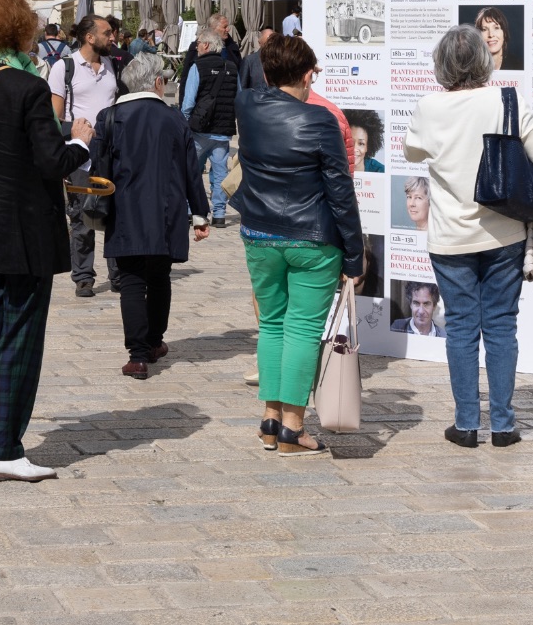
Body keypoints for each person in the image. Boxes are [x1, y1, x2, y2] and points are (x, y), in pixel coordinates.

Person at [0, 0, 93, 482]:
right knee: (19, 338)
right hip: (24, 231)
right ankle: (4, 449)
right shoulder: (28, 88)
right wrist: (81, 143)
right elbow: (52, 161)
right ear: (23, 29)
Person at [402, 25, 533, 448]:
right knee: (502, 326)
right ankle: (504, 426)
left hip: (451, 238)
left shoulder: (429, 107)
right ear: (484, 61)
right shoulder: (507, 99)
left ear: (442, 65)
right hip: (504, 233)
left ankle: (467, 424)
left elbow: (411, 152)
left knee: (462, 327)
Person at [230, 35, 362, 457]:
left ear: (266, 73)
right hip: (311, 239)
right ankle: (292, 427)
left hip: (260, 235)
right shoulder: (320, 120)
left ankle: (270, 420)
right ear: (308, 75)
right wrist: (355, 254)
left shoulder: (246, 106)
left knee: (271, 324)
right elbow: (340, 192)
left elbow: (267, 84)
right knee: (302, 329)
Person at [92, 53, 210, 378]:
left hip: (125, 211)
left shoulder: (109, 116)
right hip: (166, 213)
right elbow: (191, 172)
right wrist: (200, 215)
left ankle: (138, 356)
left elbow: (98, 170)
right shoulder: (174, 119)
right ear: (158, 82)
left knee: (131, 281)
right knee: (159, 278)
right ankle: (155, 341)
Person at [48, 13, 123, 296]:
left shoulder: (110, 66)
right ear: (90, 37)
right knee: (80, 217)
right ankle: (83, 276)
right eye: (107, 33)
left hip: (111, 154)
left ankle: (117, 274)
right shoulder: (64, 68)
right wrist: (78, 131)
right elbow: (54, 118)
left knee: (114, 213)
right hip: (79, 155)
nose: (112, 37)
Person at [182, 32, 240, 227]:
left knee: (191, 171)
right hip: (222, 131)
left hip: (199, 131)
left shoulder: (197, 67)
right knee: (220, 172)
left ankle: (191, 211)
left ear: (206, 45)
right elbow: (237, 98)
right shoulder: (232, 67)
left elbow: (188, 103)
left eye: (198, 43)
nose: (196, 47)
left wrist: (186, 123)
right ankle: (219, 214)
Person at [473, 7, 515, 71]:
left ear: (504, 33)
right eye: (484, 29)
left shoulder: (519, 65)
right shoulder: (471, 68)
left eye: (496, 28)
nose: (491, 35)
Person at [346, 108, 386, 173]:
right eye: (350, 142)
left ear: (367, 146)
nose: (354, 149)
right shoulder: (333, 168)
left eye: (361, 143)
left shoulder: (380, 170)